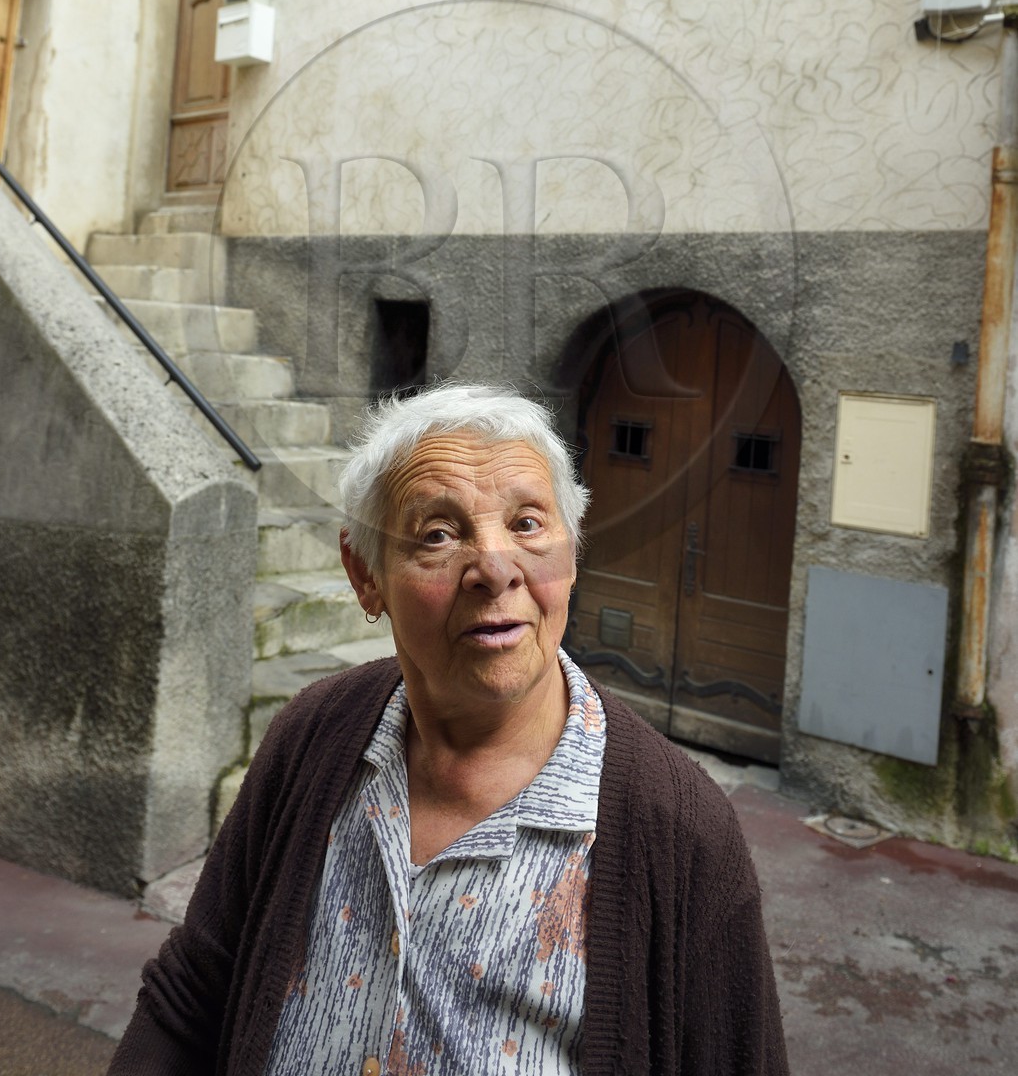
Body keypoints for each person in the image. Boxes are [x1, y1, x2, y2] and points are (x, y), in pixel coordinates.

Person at [109, 383, 788, 1075]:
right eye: (437, 534)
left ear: (572, 554)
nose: (495, 570)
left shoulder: (681, 832)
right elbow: (192, 994)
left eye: (527, 524)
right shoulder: (311, 739)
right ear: (364, 576)